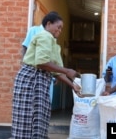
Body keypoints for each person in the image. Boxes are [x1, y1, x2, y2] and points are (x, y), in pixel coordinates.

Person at [11, 11, 82, 139]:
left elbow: (55, 71)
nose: (60, 31)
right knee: (27, 118)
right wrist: (67, 70)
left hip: (40, 80)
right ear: (49, 24)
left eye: (61, 29)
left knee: (39, 118)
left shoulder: (53, 43)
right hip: (31, 80)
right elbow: (42, 62)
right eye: (58, 27)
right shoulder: (45, 36)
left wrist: (73, 86)